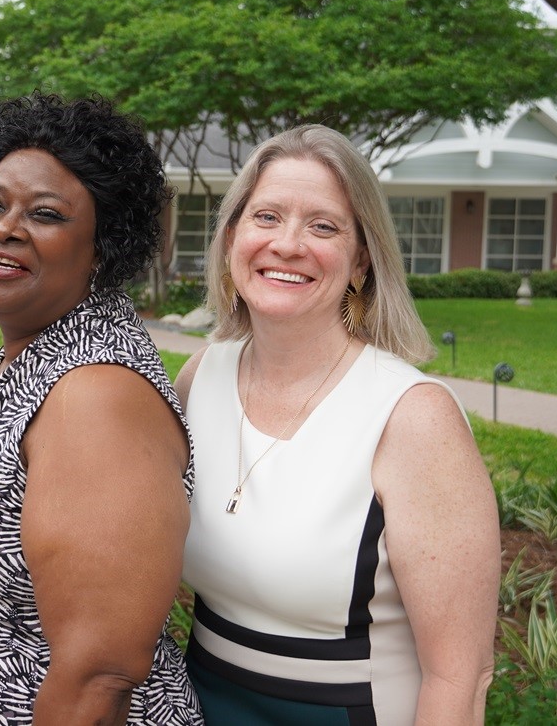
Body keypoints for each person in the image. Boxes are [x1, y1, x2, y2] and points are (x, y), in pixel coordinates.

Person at [0, 93, 204, 726]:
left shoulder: (97, 397)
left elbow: (101, 674)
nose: (4, 227)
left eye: (47, 214)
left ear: (104, 247)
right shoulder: (36, 356)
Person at [176, 124, 500, 724]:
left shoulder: (412, 415)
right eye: (266, 217)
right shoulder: (200, 378)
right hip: (202, 702)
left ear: (361, 262)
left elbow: (460, 674)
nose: (288, 244)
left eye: (323, 226)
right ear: (230, 240)